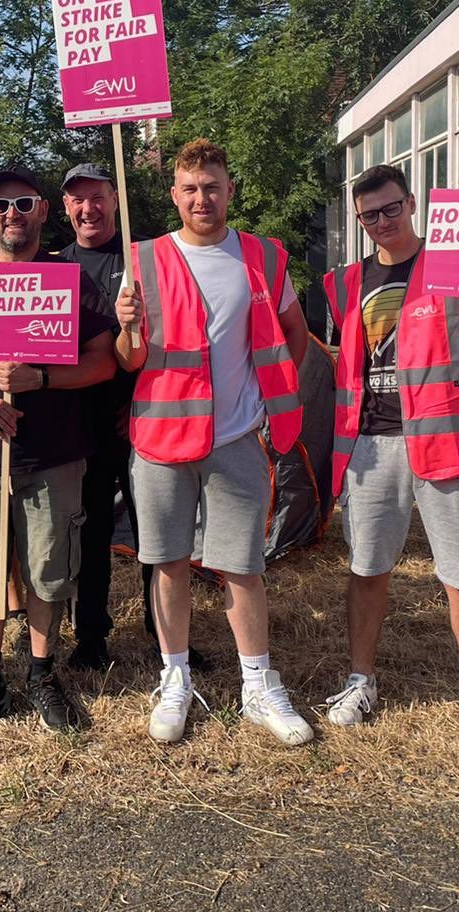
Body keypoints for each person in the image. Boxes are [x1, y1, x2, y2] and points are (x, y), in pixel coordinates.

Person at [115, 138, 313, 746]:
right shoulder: (141, 259)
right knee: (168, 563)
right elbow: (129, 362)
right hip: (160, 439)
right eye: (190, 188)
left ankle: (258, 684)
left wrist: (264, 402)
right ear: (173, 195)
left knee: (242, 566)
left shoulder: (264, 257)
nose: (202, 198)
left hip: (235, 440)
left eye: (212, 186)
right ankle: (174, 678)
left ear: (229, 190)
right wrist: (126, 329)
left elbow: (295, 338)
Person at [321, 163, 459, 759]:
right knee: (368, 567)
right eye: (369, 216)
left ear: (411, 204)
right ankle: (362, 681)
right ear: (359, 220)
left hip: (447, 442)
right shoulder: (345, 282)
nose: (382, 222)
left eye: (391, 209)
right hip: (371, 444)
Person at [0, 164, 116, 732]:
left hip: (53, 456)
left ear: (43, 212)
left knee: (48, 572)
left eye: (25, 204)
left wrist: (44, 380)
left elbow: (104, 361)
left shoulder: (70, 280)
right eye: (2, 205)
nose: (13, 214)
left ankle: (40, 672)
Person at [56, 162, 204, 672]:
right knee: (91, 534)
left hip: (147, 421)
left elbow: (171, 334)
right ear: (66, 208)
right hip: (83, 426)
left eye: (97, 197)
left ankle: (164, 631)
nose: (87, 208)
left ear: (114, 200)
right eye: (77, 199)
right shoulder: (55, 268)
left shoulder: (150, 257)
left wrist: (137, 404)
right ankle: (91, 635)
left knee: (160, 535)